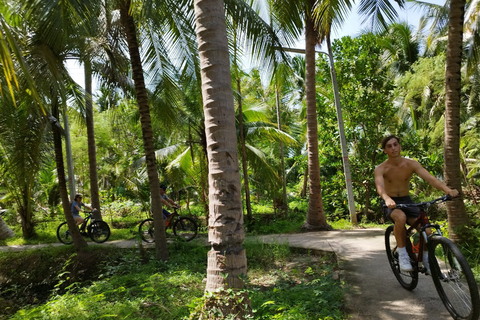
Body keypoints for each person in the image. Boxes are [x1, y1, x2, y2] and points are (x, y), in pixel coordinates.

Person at [374, 135, 458, 272]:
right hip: (390, 202)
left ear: (400, 146)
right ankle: (402, 255)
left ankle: (425, 258)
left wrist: (447, 190)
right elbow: (380, 187)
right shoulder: (381, 168)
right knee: (400, 218)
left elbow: (431, 179)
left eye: (395, 144)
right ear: (385, 151)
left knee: (428, 231)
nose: (393, 148)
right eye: (389, 146)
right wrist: (386, 198)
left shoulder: (411, 164)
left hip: (407, 200)